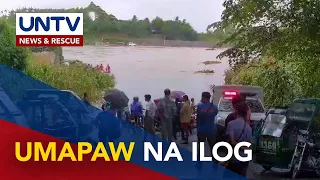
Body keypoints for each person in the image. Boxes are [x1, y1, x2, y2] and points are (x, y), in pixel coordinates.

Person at [225, 102, 252, 177]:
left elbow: (231, 141)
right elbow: (250, 145)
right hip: (245, 158)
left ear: (236, 111)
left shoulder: (231, 124)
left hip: (234, 158)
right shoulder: (248, 127)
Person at [196, 92, 218, 162]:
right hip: (211, 130)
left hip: (202, 130)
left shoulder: (199, 106)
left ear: (204, 97)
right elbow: (215, 114)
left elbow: (198, 117)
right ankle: (215, 163)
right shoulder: (214, 107)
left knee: (201, 147)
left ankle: (199, 163)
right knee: (213, 147)